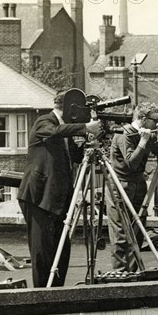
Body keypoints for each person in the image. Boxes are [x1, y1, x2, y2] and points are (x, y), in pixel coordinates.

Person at [18, 91, 101, 287]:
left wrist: (88, 141)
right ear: (70, 108)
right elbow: (55, 131)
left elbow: (75, 157)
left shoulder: (65, 128)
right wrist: (84, 127)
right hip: (39, 196)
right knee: (42, 250)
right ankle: (41, 294)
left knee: (61, 249)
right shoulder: (44, 121)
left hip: (57, 198)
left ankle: (57, 290)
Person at [107, 103, 158, 272]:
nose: (157, 123)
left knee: (137, 231)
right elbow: (131, 163)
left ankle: (132, 272)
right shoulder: (124, 133)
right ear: (144, 119)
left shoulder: (147, 134)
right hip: (121, 185)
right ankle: (120, 273)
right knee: (121, 232)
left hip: (138, 185)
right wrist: (144, 141)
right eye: (155, 120)